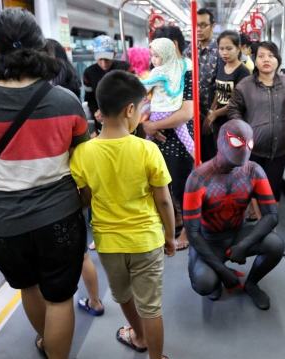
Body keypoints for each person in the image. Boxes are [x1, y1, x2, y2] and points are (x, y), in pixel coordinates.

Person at [0, 9, 89, 359]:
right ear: (41, 49)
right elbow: (84, 162)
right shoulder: (65, 101)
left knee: (28, 287)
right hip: (59, 218)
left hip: (2, 222)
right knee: (60, 298)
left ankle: (46, 343)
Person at [70, 70, 175, 359]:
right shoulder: (147, 150)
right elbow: (164, 201)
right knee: (151, 306)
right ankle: (156, 356)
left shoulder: (83, 153)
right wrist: (170, 236)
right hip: (146, 240)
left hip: (108, 243)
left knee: (124, 296)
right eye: (141, 109)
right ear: (130, 109)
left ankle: (138, 337)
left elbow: (85, 200)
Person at [184, 120, 285, 310]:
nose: (245, 149)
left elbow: (272, 214)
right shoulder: (198, 178)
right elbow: (193, 232)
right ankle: (214, 274)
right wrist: (222, 271)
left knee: (275, 244)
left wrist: (244, 244)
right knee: (205, 284)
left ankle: (252, 283)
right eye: (237, 142)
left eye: (250, 143)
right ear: (221, 142)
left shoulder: (253, 170)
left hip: (239, 233)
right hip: (209, 239)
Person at [46, 38, 105, 317]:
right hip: (72, 183)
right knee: (80, 254)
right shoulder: (70, 96)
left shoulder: (38, 99)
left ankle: (58, 309)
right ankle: (95, 300)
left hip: (46, 190)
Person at [228, 41, 285, 229]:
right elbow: (234, 109)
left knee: (274, 190)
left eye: (270, 55)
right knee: (256, 190)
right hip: (253, 149)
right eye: (261, 56)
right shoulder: (245, 86)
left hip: (279, 150)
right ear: (255, 60)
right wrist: (242, 129)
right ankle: (264, 228)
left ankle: (269, 229)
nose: (266, 60)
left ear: (277, 60)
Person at [143, 25, 195, 251]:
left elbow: (186, 113)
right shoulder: (158, 69)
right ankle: (173, 223)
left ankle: (187, 231)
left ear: (172, 45)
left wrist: (153, 125)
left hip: (179, 141)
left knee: (183, 187)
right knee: (163, 186)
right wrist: (146, 123)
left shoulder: (187, 72)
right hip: (159, 140)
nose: (154, 57)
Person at [141, 38, 194, 158]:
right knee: (188, 142)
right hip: (175, 112)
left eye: (157, 56)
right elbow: (188, 63)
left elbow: (143, 89)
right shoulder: (180, 67)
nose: (153, 59)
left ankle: (143, 161)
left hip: (158, 114)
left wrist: (138, 80)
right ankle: (199, 163)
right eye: (152, 56)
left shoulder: (157, 72)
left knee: (148, 141)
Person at [183, 8, 221, 162]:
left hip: (213, 115)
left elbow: (222, 85)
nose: (198, 29)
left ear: (212, 26)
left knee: (213, 157)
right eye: (196, 25)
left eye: (203, 25)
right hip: (191, 114)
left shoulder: (220, 51)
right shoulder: (188, 52)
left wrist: (211, 113)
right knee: (195, 158)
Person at [83, 35, 135, 137]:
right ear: (93, 54)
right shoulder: (89, 73)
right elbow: (90, 99)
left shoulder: (126, 68)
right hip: (102, 120)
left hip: (125, 117)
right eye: (100, 59)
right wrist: (95, 112)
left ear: (114, 54)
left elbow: (134, 94)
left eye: (107, 59)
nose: (104, 63)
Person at [206, 30, 250, 143]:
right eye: (221, 49)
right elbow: (218, 92)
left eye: (229, 49)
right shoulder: (221, 66)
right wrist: (210, 112)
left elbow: (237, 102)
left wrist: (214, 113)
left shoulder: (243, 72)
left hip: (234, 121)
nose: (225, 53)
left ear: (238, 48)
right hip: (218, 120)